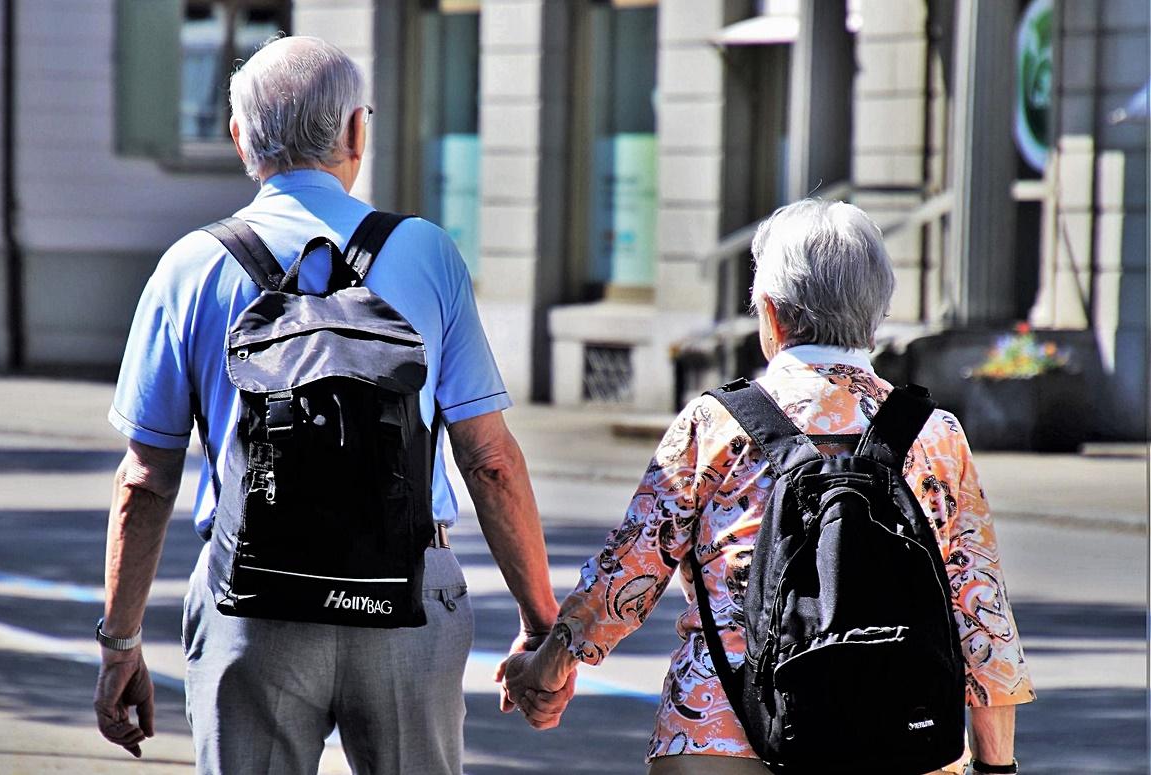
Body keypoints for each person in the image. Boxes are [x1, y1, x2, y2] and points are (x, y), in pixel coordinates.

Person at [93, 36, 569, 774]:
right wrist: (543, 624)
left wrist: (120, 642)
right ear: (356, 132)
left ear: (238, 138)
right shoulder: (427, 253)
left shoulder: (190, 265)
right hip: (407, 599)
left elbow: (146, 479)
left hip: (252, 603)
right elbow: (490, 459)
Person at [501, 199, 1035, 775]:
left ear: (773, 315)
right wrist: (995, 765)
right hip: (901, 735)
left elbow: (629, 572)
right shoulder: (935, 435)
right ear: (875, 314)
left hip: (723, 730)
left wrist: (551, 665)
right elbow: (983, 615)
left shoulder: (715, 424)